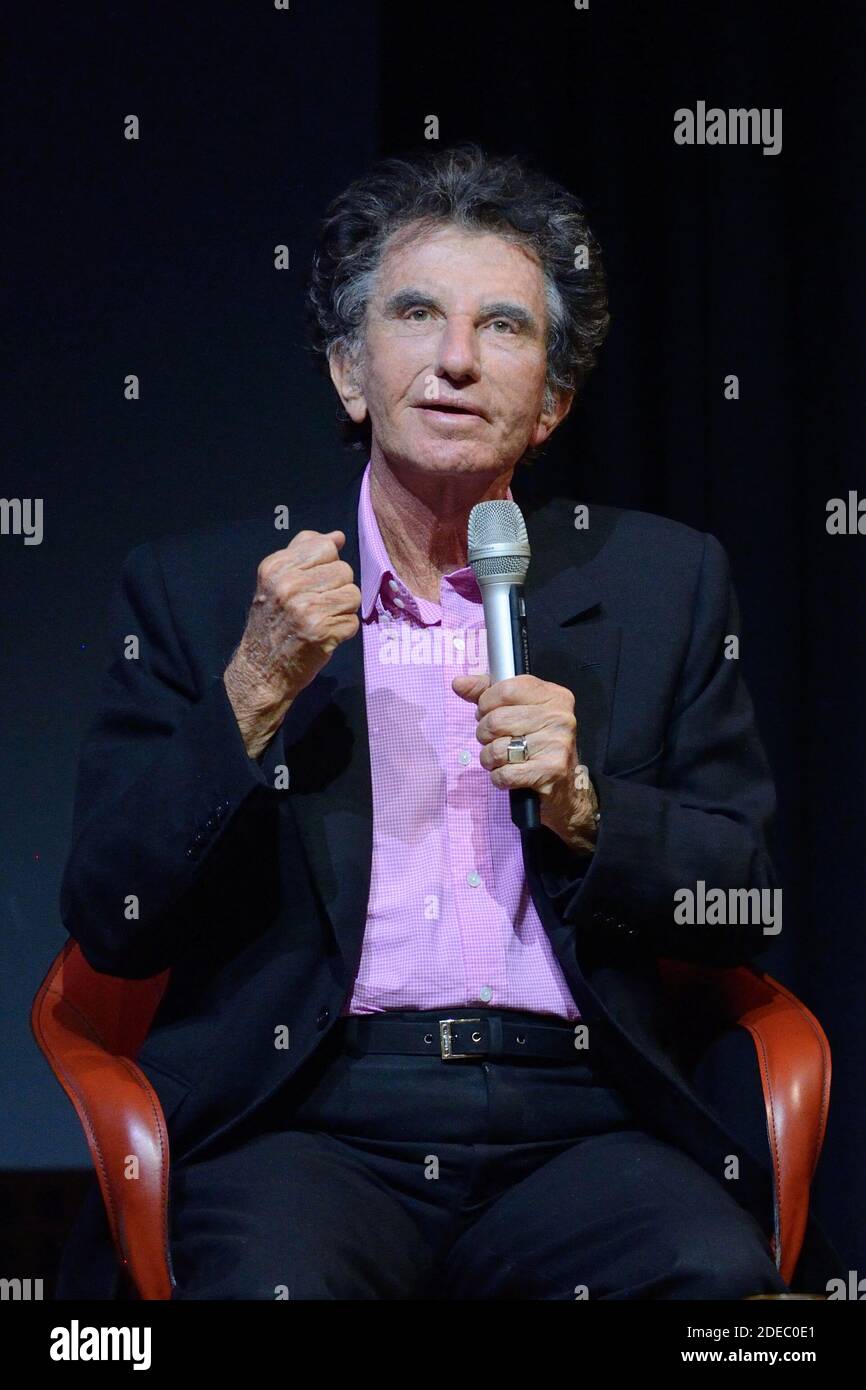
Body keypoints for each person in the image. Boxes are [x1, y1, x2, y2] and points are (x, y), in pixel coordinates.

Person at [56, 143, 837, 1299]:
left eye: (506, 327)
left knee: (711, 1285)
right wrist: (254, 689)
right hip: (306, 1116)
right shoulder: (207, 592)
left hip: (577, 1119)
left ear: (552, 403)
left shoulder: (662, 584)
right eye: (416, 314)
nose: (458, 359)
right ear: (347, 372)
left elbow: (746, 898)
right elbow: (114, 918)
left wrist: (585, 808)